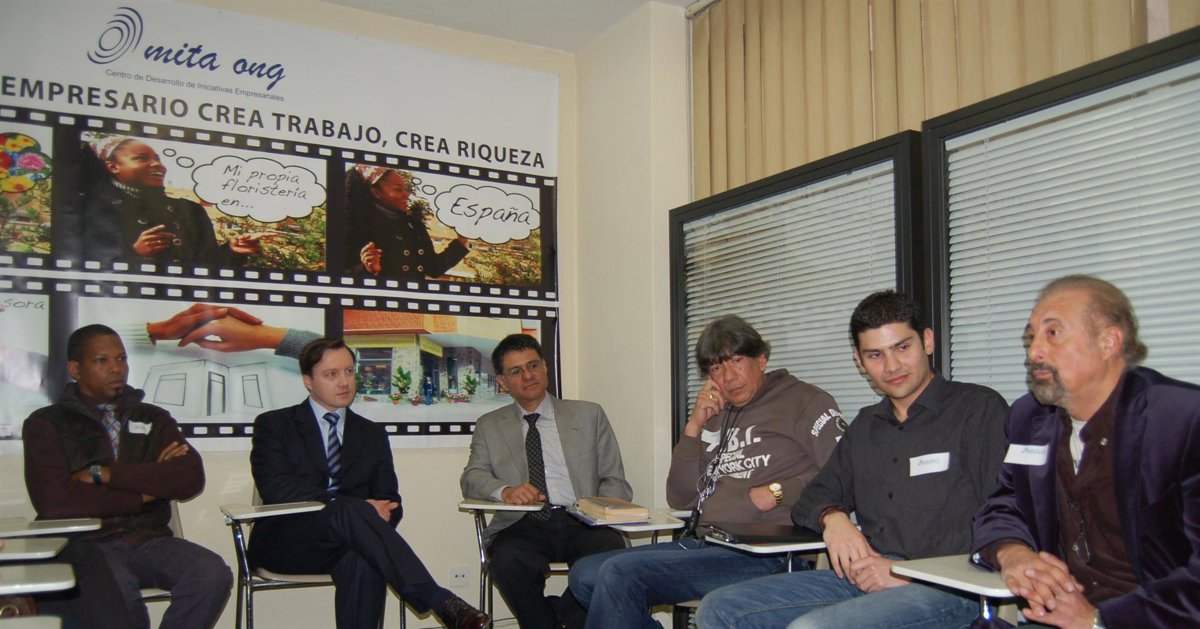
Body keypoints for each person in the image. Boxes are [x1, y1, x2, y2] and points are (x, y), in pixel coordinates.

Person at [696, 291, 1009, 628]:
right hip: (868, 576)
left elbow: (1004, 517)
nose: (892, 366)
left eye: (902, 348)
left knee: (811, 628)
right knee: (720, 607)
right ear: (859, 362)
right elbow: (814, 496)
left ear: (927, 342)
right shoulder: (866, 427)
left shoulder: (977, 409)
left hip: (951, 587)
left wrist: (910, 574)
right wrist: (834, 519)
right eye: (875, 355)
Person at [568, 315, 844, 629]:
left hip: (766, 553)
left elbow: (843, 472)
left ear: (761, 359)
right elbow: (681, 498)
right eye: (716, 368)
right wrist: (694, 426)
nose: (728, 377)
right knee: (585, 576)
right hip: (708, 544)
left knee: (620, 575)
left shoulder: (805, 401)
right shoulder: (717, 416)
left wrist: (780, 491)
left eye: (736, 361)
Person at [971, 275, 1200, 628]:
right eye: (1031, 338)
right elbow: (1005, 504)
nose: (1034, 352)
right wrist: (1012, 552)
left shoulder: (1181, 420)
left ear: (1109, 341)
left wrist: (1097, 621)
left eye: (1053, 333)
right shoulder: (1029, 418)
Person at [247, 337, 488, 629]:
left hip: (350, 545)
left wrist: (377, 514)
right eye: (331, 374)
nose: (344, 382)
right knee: (347, 509)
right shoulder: (274, 425)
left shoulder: (372, 434)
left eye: (349, 371)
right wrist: (351, 506)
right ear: (308, 381)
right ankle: (439, 599)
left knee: (363, 558)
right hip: (289, 543)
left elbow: (390, 501)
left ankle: (441, 602)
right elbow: (275, 488)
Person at [22, 324, 232, 629]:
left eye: (121, 359)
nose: (116, 368)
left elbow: (188, 478)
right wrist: (144, 493)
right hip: (86, 545)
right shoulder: (46, 424)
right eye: (102, 360)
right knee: (119, 594)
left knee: (210, 574)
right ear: (75, 369)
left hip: (147, 538)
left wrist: (103, 474)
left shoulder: (152, 417)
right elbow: (55, 502)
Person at [461, 334, 632, 629]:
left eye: (533, 365)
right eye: (516, 371)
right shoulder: (489, 425)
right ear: (502, 381)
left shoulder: (588, 414)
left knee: (608, 560)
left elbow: (614, 478)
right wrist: (506, 491)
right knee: (507, 561)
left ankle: (560, 615)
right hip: (523, 523)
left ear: (545, 367)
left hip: (583, 520)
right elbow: (471, 477)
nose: (528, 376)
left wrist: (599, 510)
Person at [74, 136, 261, 267]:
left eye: (157, 158)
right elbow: (87, 270)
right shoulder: (96, 211)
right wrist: (134, 253)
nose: (157, 164)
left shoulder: (191, 209)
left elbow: (209, 267)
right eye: (141, 158)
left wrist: (233, 250)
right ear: (113, 167)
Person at [345, 164, 469, 279]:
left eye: (406, 189)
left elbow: (434, 268)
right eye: (398, 190)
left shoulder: (414, 225)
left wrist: (461, 240)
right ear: (376, 193)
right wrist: (366, 269)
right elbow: (342, 276)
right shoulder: (356, 225)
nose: (407, 194)